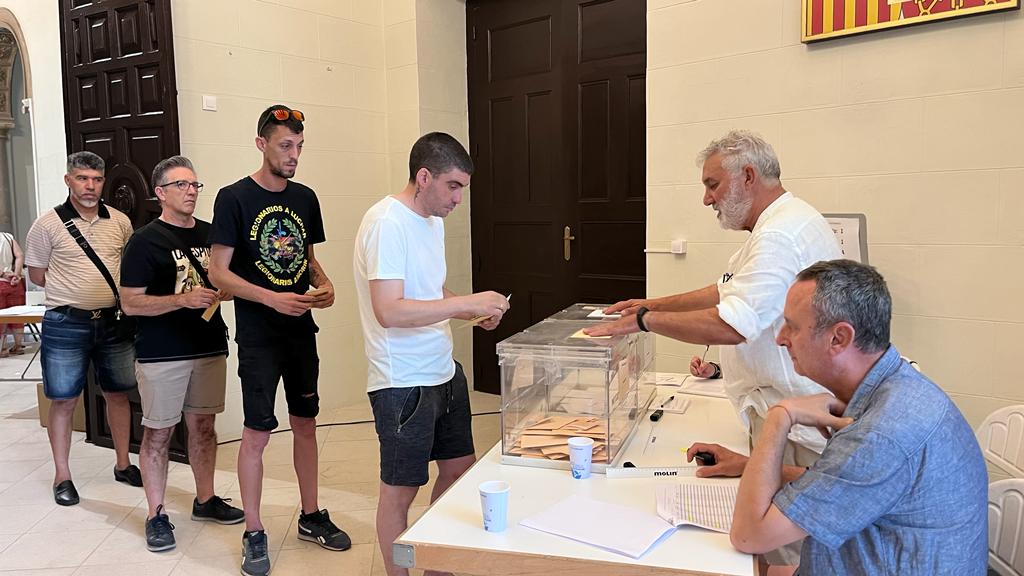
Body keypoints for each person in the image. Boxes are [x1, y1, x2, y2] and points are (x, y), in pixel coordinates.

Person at [717, 259, 988, 575]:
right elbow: (842, 481)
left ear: (838, 338)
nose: (780, 338)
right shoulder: (900, 386)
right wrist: (747, 466)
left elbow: (749, 536)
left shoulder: (882, 433)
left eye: (791, 325)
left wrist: (780, 416)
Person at [585, 130, 841, 460]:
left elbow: (732, 325)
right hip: (787, 413)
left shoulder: (778, 236)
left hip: (798, 430)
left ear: (748, 176)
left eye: (713, 184)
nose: (707, 199)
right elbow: (725, 290)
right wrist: (650, 303)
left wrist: (644, 321)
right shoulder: (782, 221)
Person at [354, 132, 509, 576]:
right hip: (402, 381)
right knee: (400, 492)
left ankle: (437, 565)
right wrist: (467, 303)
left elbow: (428, 290)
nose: (458, 199)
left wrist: (470, 313)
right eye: (453, 186)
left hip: (443, 370)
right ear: (424, 177)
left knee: (459, 471)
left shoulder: (432, 221)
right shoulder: (387, 223)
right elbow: (389, 310)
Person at [209, 105, 349, 576]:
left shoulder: (305, 197)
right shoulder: (233, 198)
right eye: (285, 146)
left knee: (306, 423)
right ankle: (254, 530)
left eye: (300, 147)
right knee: (257, 432)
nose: (294, 155)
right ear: (261, 144)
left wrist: (324, 284)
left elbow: (306, 257)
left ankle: (310, 515)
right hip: (259, 336)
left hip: (300, 331)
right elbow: (218, 272)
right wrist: (271, 299)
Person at [120, 155, 244, 552]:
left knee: (204, 428)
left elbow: (228, 278)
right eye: (181, 185)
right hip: (162, 353)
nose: (191, 191)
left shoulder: (211, 234)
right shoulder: (144, 241)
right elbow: (131, 304)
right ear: (160, 193)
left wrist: (223, 291)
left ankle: (205, 500)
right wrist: (182, 300)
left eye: (195, 185)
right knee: (158, 432)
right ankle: (156, 513)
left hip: (208, 347)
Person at [25, 150, 141, 506]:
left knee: (119, 393)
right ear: (68, 180)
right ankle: (63, 476)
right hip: (65, 323)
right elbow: (37, 274)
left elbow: (128, 267)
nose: (89, 186)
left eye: (96, 179)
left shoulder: (120, 221)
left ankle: (123, 464)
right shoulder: (46, 225)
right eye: (82, 178)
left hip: (112, 322)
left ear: (103, 182)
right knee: (63, 400)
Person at [0, 229, 26, 356]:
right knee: (17, 315)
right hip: (14, 282)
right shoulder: (7, 237)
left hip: (1, 281)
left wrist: (3, 274)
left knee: (1, 316)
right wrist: (16, 273)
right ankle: (18, 345)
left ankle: (3, 348)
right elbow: (20, 255)